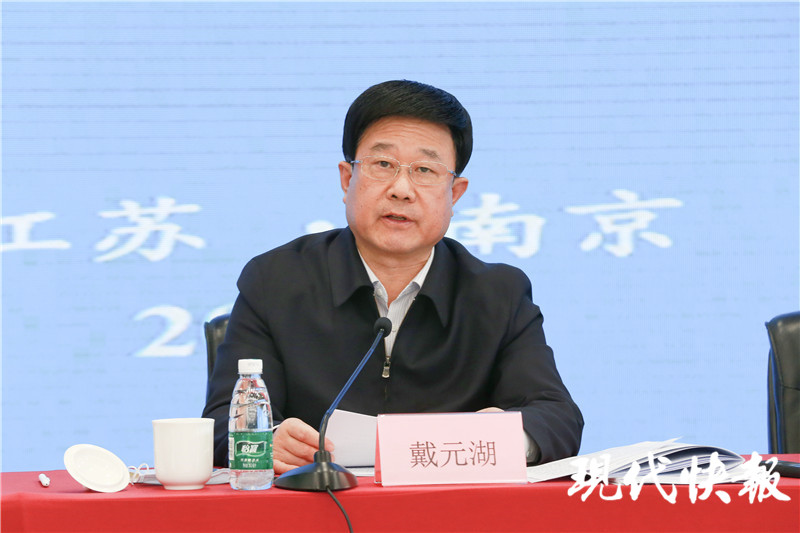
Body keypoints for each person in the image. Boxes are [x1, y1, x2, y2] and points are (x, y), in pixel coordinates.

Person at [202, 80, 583, 474]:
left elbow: (557, 418)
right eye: (383, 164)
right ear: (347, 179)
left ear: (455, 194)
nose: (401, 189)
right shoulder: (276, 280)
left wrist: (505, 435)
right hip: (317, 500)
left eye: (425, 170)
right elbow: (219, 425)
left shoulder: (498, 294)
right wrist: (267, 440)